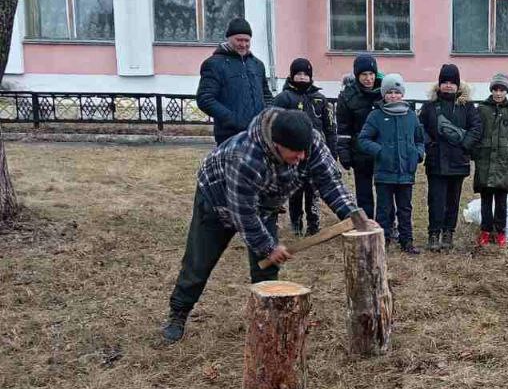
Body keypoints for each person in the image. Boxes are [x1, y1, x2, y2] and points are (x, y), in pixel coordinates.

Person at [161, 109, 372, 342]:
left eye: (305, 150)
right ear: (276, 144)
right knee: (199, 263)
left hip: (264, 203)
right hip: (216, 200)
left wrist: (351, 214)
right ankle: (178, 313)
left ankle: (267, 320)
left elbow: (329, 181)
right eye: (296, 152)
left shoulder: (309, 142)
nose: (302, 156)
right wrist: (267, 246)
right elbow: (244, 214)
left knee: (266, 269)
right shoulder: (244, 157)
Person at [357, 73, 424, 255]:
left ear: (402, 94)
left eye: (396, 92)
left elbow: (419, 139)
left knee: (405, 208)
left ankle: (406, 241)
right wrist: (380, 151)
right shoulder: (376, 116)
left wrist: (417, 154)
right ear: (384, 94)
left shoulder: (411, 115)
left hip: (406, 172)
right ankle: (383, 240)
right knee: (384, 209)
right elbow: (363, 139)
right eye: (389, 92)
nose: (393, 96)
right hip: (384, 173)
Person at [418, 63, 482, 251]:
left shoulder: (467, 107)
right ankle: (434, 232)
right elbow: (420, 128)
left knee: (453, 200)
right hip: (436, 160)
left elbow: (476, 129)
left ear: (458, 84)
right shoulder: (429, 107)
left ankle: (448, 232)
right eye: (444, 81)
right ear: (439, 84)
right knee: (436, 199)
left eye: (451, 82)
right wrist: (429, 144)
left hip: (458, 160)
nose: (447, 85)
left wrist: (464, 145)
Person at [272, 57, 337, 236]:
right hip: (292, 154)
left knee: (313, 190)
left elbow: (330, 128)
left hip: (314, 155)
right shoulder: (283, 98)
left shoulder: (320, 99)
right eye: (298, 74)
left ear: (310, 76)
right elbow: (274, 124)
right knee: (294, 190)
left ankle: (314, 224)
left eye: (305, 74)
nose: (301, 77)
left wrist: (332, 152)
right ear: (292, 75)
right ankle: (296, 224)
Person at [196, 17, 272, 145]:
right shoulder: (214, 64)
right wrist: (233, 120)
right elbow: (205, 99)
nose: (243, 44)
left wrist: (267, 117)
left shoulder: (257, 64)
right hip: (229, 136)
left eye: (246, 40)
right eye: (239, 40)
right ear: (229, 38)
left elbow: (266, 95)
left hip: (258, 134)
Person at [472, 73, 508, 248]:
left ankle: (501, 230)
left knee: (501, 200)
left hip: (503, 162)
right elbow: (475, 133)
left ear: (506, 91)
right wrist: (477, 153)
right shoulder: (481, 110)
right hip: (485, 162)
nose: (498, 93)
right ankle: (486, 230)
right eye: (495, 89)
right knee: (486, 199)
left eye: (502, 89)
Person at [335, 54, 383, 220]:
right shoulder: (347, 97)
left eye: (371, 74)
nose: (368, 78)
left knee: (385, 192)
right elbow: (343, 127)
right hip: (359, 151)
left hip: (381, 151)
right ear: (357, 75)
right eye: (364, 75)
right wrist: (344, 153)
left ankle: (387, 226)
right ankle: (367, 223)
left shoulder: (385, 93)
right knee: (364, 193)